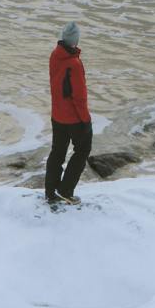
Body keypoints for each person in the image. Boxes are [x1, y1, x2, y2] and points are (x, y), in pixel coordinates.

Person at [44, 20, 92, 204]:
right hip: (73, 118)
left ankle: (50, 191)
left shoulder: (55, 56)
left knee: (57, 152)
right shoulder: (74, 64)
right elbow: (78, 97)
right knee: (83, 149)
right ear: (75, 41)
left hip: (57, 115)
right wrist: (85, 120)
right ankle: (66, 189)